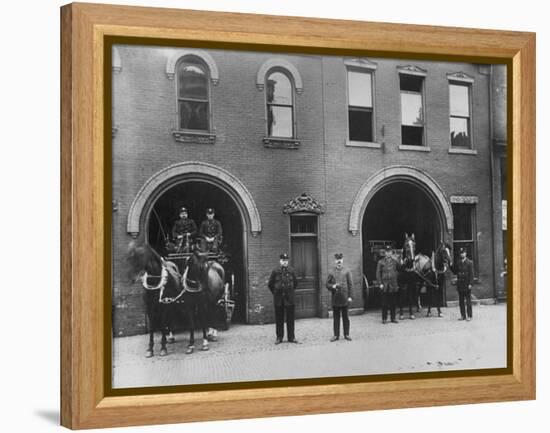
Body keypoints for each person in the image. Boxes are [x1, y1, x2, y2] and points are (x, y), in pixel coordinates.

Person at [268, 253, 299, 344]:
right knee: (279, 319)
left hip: (289, 299)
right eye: (283, 260)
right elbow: (270, 284)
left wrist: (290, 292)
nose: (285, 262)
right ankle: (279, 337)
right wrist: (276, 293)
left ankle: (291, 337)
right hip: (279, 299)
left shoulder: (291, 270)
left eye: (286, 261)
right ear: (280, 261)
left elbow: (295, 283)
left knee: (290, 319)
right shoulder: (275, 271)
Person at [326, 253, 353, 341]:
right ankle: (336, 335)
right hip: (336, 298)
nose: (339, 262)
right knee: (336, 318)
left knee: (346, 317)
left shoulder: (347, 271)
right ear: (335, 261)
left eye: (340, 260)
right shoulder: (331, 272)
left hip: (344, 297)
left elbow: (350, 285)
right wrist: (333, 286)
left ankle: (346, 334)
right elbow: (327, 284)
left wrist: (350, 296)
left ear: (342, 260)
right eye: (337, 260)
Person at [376, 245, 400, 324]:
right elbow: (378, 273)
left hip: (393, 285)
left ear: (391, 252)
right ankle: (384, 318)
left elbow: (399, 269)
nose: (388, 253)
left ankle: (393, 318)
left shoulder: (395, 261)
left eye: (389, 252)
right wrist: (380, 283)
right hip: (385, 285)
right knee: (384, 303)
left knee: (393, 302)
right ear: (385, 253)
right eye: (387, 252)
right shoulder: (381, 262)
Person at [451, 247, 474, 321]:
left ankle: (469, 316)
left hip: (467, 284)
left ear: (466, 253)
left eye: (463, 253)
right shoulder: (458, 262)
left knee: (468, 301)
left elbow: (471, 274)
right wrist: (450, 266)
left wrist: (470, 284)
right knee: (461, 302)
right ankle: (463, 316)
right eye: (461, 253)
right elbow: (455, 271)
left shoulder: (469, 262)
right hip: (460, 284)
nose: (462, 254)